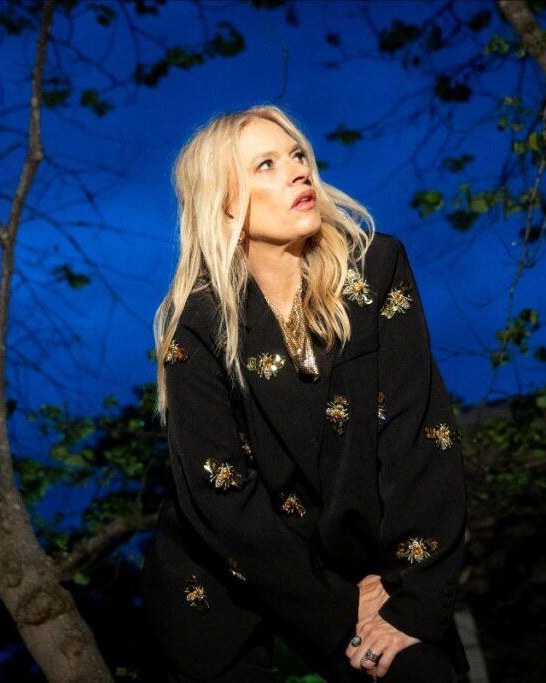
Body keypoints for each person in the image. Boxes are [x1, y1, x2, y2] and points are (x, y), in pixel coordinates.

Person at [140, 104, 468, 682]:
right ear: (224, 203)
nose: (297, 172)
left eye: (297, 155)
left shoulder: (376, 268)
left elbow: (421, 437)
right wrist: (340, 606)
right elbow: (222, 498)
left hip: (366, 565)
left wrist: (412, 600)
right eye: (266, 164)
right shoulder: (196, 321)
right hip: (231, 580)